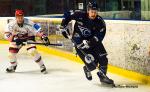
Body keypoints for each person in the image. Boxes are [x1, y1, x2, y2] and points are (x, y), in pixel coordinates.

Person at [61, 2, 114, 85]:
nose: (93, 14)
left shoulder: (100, 22)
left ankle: (103, 76)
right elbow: (67, 14)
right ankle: (87, 69)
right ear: (88, 10)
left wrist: (90, 42)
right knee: (93, 65)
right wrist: (63, 26)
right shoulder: (80, 15)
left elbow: (99, 36)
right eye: (92, 11)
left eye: (95, 12)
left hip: (93, 42)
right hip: (79, 43)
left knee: (103, 57)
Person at [4, 9, 50, 74]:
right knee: (11, 54)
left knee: (33, 51)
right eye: (18, 17)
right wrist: (15, 39)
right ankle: (13, 66)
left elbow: (38, 31)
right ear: (15, 17)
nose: (20, 19)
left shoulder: (29, 23)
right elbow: (8, 37)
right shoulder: (10, 25)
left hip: (28, 38)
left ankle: (41, 65)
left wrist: (44, 37)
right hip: (17, 39)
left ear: (23, 16)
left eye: (21, 17)